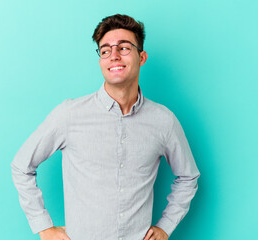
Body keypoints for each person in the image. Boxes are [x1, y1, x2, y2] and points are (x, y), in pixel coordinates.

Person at [11, 14, 200, 240]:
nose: (114, 56)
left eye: (124, 48)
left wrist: (165, 226)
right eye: (105, 50)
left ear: (142, 57)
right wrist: (43, 227)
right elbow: (21, 166)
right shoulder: (69, 114)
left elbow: (188, 177)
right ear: (100, 59)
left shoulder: (164, 121)